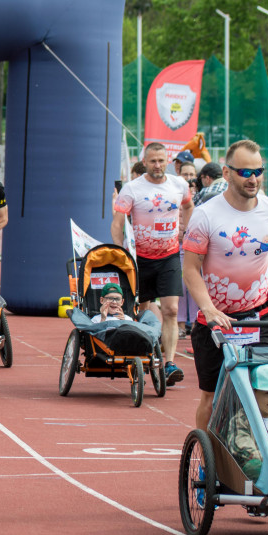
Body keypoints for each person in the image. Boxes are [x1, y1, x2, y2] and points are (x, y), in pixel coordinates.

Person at [183, 139, 268, 432]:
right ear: (227, 173)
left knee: (266, 386)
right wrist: (209, 308)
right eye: (244, 172)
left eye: (258, 171)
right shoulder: (206, 215)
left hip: (259, 318)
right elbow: (190, 270)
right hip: (216, 323)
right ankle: (206, 455)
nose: (253, 178)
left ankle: (258, 453)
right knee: (211, 396)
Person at [112, 142, 192, 386]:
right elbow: (117, 223)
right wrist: (119, 252)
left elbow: (188, 205)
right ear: (144, 162)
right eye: (152, 161)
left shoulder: (179, 184)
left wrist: (184, 230)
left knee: (171, 310)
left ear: (167, 160)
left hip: (168, 255)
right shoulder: (132, 189)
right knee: (143, 311)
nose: (157, 165)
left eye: (161, 160)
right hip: (140, 258)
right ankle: (145, 356)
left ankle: (169, 364)